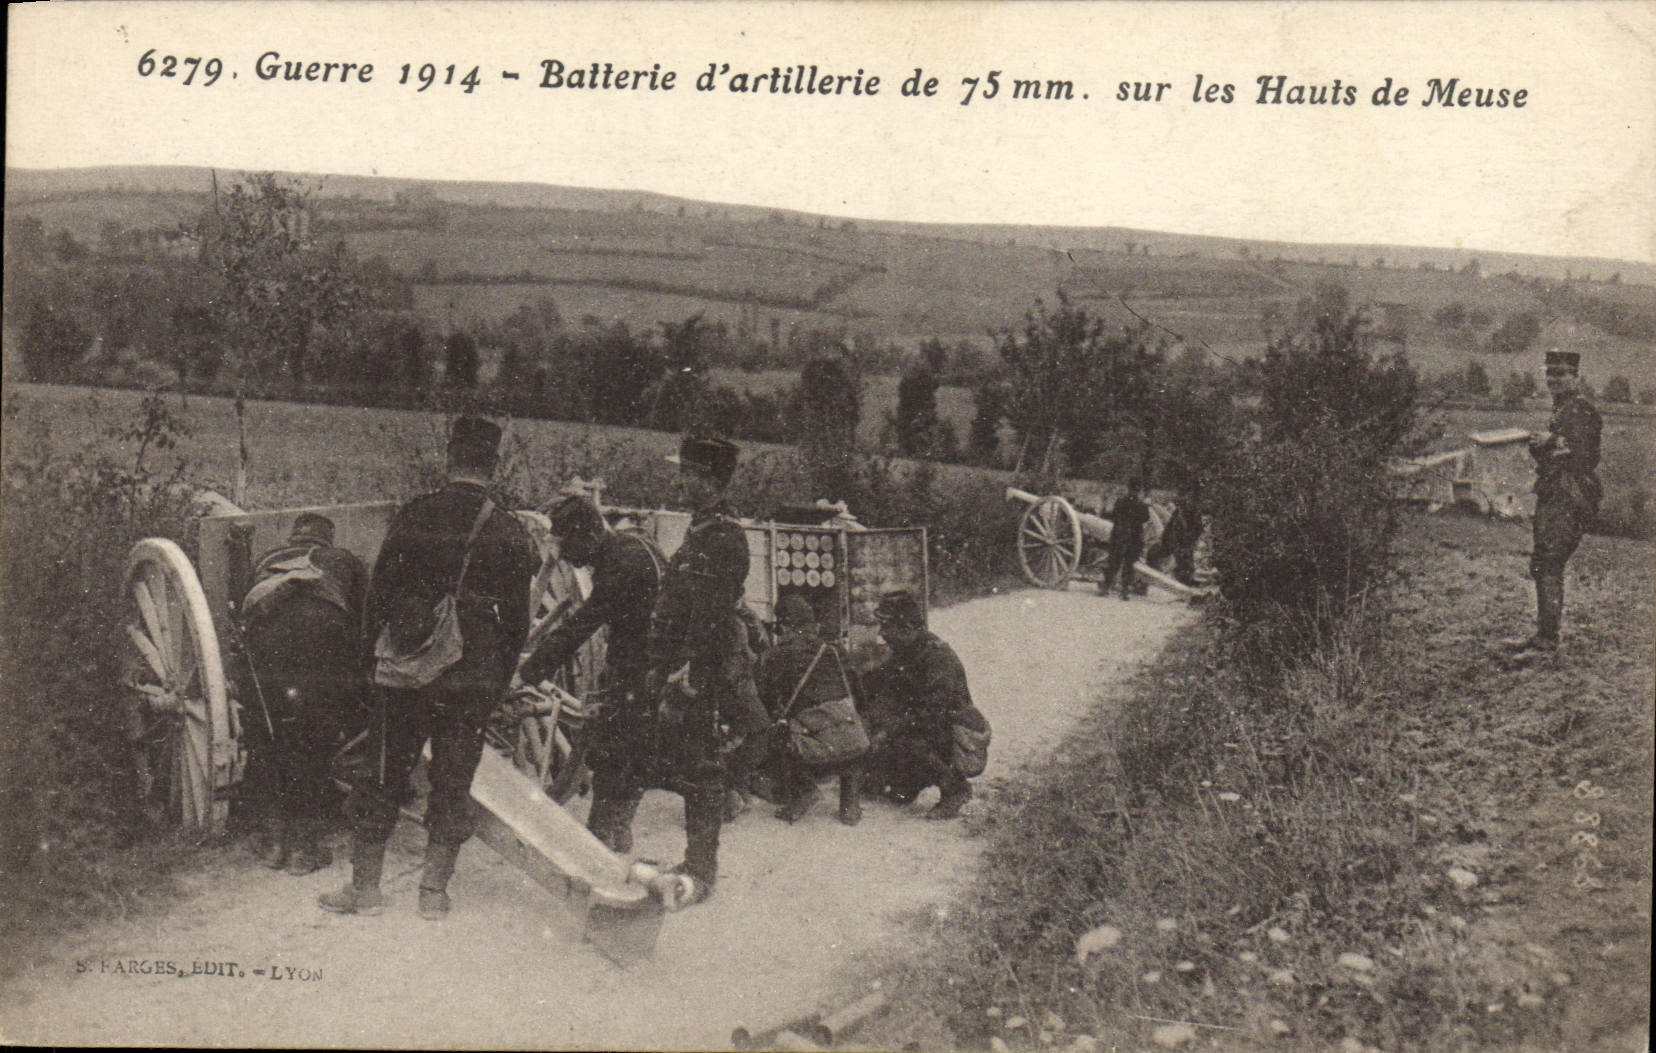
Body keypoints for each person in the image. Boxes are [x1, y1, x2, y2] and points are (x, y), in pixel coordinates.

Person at [321, 416, 537, 920]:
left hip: (408, 672)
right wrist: (495, 684)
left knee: (383, 772)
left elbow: (378, 595)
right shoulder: (508, 530)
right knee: (454, 778)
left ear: (450, 458)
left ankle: (365, 890)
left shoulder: (416, 515)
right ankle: (433, 893)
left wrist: (370, 664)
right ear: (493, 466)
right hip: (473, 680)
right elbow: (518, 624)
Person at [518, 494, 664, 854]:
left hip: (640, 666)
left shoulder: (621, 564)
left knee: (614, 749)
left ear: (590, 535)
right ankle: (617, 828)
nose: (566, 556)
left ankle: (603, 836)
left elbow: (582, 624)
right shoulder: (634, 545)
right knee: (630, 748)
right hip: (650, 664)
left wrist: (529, 671)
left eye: (569, 545)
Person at [646, 434, 757, 905]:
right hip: (683, 665)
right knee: (692, 763)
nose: (679, 482)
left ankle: (701, 869)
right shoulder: (704, 530)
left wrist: (688, 681)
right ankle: (698, 861)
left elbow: (710, 621)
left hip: (699, 671)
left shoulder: (723, 538)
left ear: (709, 480)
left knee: (701, 766)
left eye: (687, 474)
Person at [239, 513, 367, 875]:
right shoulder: (344, 560)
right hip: (323, 631)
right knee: (313, 736)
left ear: (293, 538)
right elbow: (364, 622)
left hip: (267, 638)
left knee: (269, 735)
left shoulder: (267, 560)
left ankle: (274, 843)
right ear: (328, 539)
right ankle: (303, 848)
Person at [1514, 349, 1603, 653]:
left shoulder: (1581, 410)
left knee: (1549, 562)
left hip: (1569, 494)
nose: (1554, 379)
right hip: (1554, 491)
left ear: (1575, 377)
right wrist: (1543, 446)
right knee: (1543, 562)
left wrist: (1551, 441)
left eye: (1561, 374)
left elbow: (1587, 456)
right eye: (1550, 374)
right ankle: (1545, 633)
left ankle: (1547, 638)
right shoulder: (1563, 409)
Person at [861, 590, 977, 820]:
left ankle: (955, 788)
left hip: (952, 731)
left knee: (904, 737)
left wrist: (888, 730)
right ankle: (907, 783)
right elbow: (877, 682)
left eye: (887, 627)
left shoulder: (937, 658)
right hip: (927, 723)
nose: (881, 634)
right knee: (877, 714)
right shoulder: (908, 649)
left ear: (907, 629)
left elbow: (933, 713)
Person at [757, 595, 863, 826]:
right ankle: (849, 803)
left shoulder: (778, 654)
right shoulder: (835, 650)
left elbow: (765, 699)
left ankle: (804, 790)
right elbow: (857, 689)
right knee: (848, 734)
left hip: (814, 740)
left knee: (775, 735)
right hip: (852, 737)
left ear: (785, 626)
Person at [1101, 478, 1151, 600]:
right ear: (1139, 491)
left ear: (1128, 489)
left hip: (1120, 536)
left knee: (1114, 562)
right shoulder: (1141, 505)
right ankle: (1124, 590)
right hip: (1134, 538)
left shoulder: (1121, 502)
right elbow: (1146, 518)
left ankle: (1107, 587)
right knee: (1129, 565)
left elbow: (1113, 516)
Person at [1146, 486, 1203, 588]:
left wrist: (1189, 540)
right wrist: (1163, 538)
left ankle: (1185, 582)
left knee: (1184, 565)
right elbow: (1170, 525)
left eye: (1188, 498)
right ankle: (1153, 577)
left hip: (1181, 544)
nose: (1186, 500)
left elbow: (1198, 529)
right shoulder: (1180, 511)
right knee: (1153, 553)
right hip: (1172, 542)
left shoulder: (1192, 512)